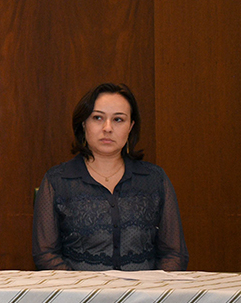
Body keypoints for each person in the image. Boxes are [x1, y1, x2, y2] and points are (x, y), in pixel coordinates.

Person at [32, 83, 187, 271]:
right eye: (97, 118)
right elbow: (45, 254)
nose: (107, 128)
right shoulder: (57, 181)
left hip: (144, 297)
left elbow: (174, 253)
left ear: (131, 127)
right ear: (83, 123)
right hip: (79, 297)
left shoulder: (154, 179)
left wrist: (151, 293)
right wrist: (82, 293)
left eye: (118, 120)